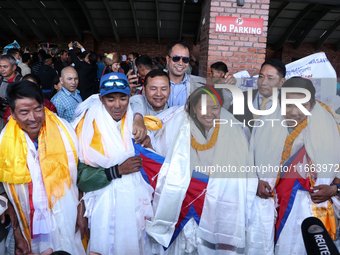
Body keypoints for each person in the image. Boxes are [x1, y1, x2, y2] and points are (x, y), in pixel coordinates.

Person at [146, 86, 257, 254]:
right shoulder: (177, 124)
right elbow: (162, 162)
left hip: (216, 202)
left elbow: (242, 172)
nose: (209, 113)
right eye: (203, 107)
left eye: (215, 108)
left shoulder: (234, 131)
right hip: (183, 202)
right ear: (195, 108)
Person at [247, 77, 340, 254]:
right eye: (289, 104)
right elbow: (249, 161)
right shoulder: (264, 125)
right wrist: (255, 182)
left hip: (310, 207)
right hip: (270, 202)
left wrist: (335, 188)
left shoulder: (330, 129)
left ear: (312, 105)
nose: (295, 112)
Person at [0, 80, 85, 254]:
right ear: (13, 114)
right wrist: (17, 232)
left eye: (37, 109)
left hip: (68, 215)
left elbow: (80, 173)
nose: (33, 117)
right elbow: (6, 190)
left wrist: (81, 211)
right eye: (24, 112)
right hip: (29, 221)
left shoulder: (65, 131)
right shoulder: (4, 142)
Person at [73, 72, 153, 255]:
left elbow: (149, 164)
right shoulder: (85, 126)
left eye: (123, 98)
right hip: (102, 204)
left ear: (129, 97)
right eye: (110, 99)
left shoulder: (137, 123)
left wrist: (149, 146)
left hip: (133, 202)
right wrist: (115, 171)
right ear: (101, 99)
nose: (118, 105)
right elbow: (79, 176)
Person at [229, 59, 286, 130]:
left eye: (270, 78)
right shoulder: (242, 98)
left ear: (282, 82)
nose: (263, 82)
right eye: (261, 77)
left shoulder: (288, 103)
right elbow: (226, 120)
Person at [0, 54, 22, 130]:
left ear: (14, 67)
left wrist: (11, 106)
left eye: (5, 66)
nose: (2, 69)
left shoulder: (22, 82)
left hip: (17, 121)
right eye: (0, 66)